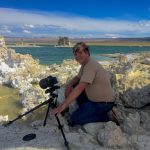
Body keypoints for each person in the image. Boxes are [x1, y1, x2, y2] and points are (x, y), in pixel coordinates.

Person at [52, 42, 114, 125]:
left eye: (80, 53)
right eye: (75, 54)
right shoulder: (85, 64)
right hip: (93, 99)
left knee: (74, 119)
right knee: (75, 86)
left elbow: (80, 87)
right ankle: (87, 110)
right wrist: (69, 85)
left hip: (102, 104)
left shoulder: (91, 65)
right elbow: (78, 78)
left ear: (87, 53)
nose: (77, 56)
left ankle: (105, 117)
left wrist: (62, 106)